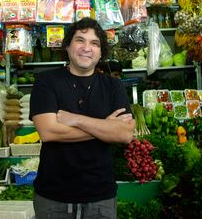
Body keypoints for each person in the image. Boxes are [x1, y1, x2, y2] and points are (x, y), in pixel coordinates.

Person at [29, 17, 135, 219]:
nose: (87, 48)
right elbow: (49, 132)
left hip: (100, 197)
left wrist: (77, 119)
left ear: (101, 52)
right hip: (53, 197)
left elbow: (124, 134)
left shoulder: (114, 86)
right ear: (67, 46)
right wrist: (106, 128)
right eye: (80, 40)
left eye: (95, 43)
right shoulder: (46, 81)